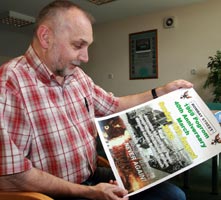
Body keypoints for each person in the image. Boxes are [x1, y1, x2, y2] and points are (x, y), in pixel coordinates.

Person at [0, 1, 193, 200]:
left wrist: (160, 92)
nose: (86, 57)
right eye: (78, 45)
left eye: (87, 46)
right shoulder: (10, 83)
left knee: (172, 195)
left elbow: (113, 105)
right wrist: (91, 192)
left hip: (92, 176)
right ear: (46, 37)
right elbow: (12, 177)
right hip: (53, 191)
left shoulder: (78, 77)